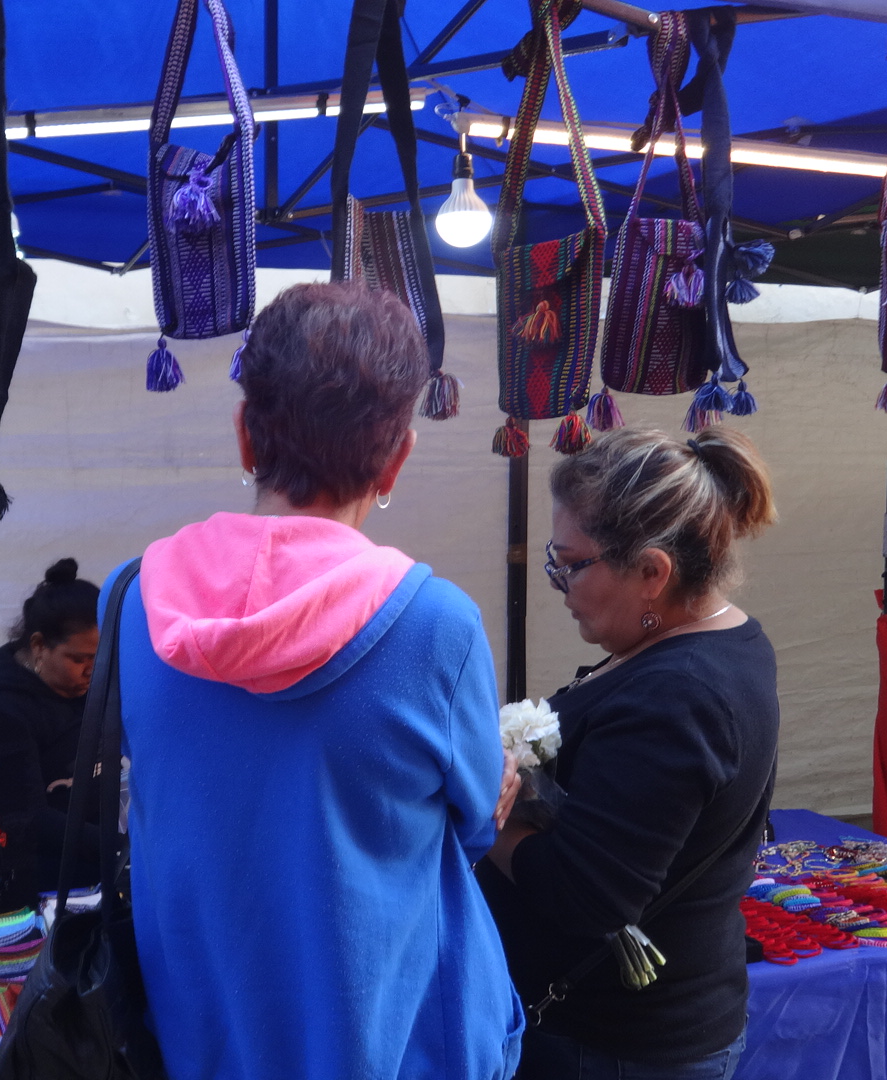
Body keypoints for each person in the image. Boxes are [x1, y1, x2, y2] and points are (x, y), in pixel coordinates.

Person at [109, 282, 526, 1080]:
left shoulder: (132, 602)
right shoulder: (436, 625)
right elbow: (475, 828)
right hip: (395, 1042)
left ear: (244, 436)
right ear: (397, 458)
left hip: (204, 1036)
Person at [480, 426, 780, 1080]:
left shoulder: (681, 695)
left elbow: (584, 898)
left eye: (571, 563)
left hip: (614, 1046)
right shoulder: (709, 641)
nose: (558, 583)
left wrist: (485, 807)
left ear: (651, 572)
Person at [0, 558, 101, 891]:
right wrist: (117, 848)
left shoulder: (88, 683)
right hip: (32, 871)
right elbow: (26, 817)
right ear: (38, 646)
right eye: (78, 659)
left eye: (100, 657)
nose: (92, 670)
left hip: (93, 845)